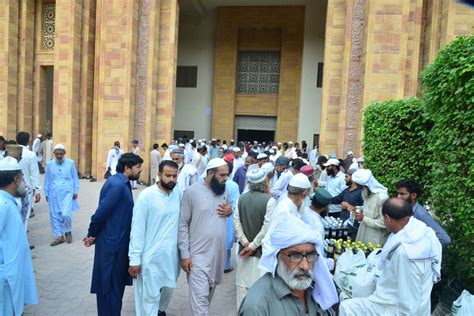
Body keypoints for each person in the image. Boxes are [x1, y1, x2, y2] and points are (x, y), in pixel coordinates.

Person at [340, 198, 442, 315]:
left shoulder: (405, 252)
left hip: (397, 309)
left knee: (347, 307)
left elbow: (408, 300)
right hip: (416, 302)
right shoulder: (424, 232)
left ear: (388, 218)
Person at [239, 214, 338, 315]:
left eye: (310, 255)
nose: (305, 266)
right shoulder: (257, 307)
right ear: (277, 256)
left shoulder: (314, 289)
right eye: (295, 256)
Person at [84, 153, 143, 316]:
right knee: (109, 289)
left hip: (117, 243)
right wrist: (91, 234)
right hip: (112, 246)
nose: (140, 171)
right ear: (127, 168)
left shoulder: (122, 183)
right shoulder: (117, 185)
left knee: (115, 290)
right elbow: (100, 213)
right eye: (138, 167)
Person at [178, 158, 233, 315]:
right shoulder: (191, 192)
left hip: (217, 256)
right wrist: (184, 254)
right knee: (200, 299)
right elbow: (182, 224)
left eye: (227, 175)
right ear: (210, 173)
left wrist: (230, 211)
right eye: (222, 175)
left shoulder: (225, 190)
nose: (225, 178)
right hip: (197, 256)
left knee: (204, 300)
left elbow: (229, 209)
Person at [128, 161, 180, 316]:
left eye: (174, 176)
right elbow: (137, 230)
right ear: (159, 175)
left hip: (171, 258)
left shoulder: (177, 193)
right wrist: (134, 259)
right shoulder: (146, 196)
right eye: (168, 175)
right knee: (150, 297)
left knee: (167, 291)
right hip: (150, 258)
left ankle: (160, 311)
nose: (171, 179)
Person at [0, 157, 38, 315]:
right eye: (22, 179)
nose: (25, 184)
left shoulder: (10, 201)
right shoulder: (3, 205)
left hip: (11, 275)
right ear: (15, 180)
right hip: (5, 278)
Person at [234, 168, 276, 308]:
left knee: (242, 287)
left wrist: (246, 243)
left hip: (243, 250)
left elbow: (236, 223)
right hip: (260, 252)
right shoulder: (270, 201)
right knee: (258, 288)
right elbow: (267, 228)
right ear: (265, 181)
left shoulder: (242, 198)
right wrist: (253, 246)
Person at [395, 179, 451, 246]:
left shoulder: (420, 214)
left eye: (402, 194)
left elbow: (444, 239)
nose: (398, 197)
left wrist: (420, 249)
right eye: (397, 193)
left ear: (413, 195)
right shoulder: (406, 210)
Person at [44, 144, 80, 246]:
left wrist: (76, 191)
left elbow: (75, 178)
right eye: (57, 154)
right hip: (54, 192)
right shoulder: (50, 164)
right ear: (54, 154)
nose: (59, 156)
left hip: (67, 192)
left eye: (61, 154)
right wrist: (46, 192)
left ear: (64, 153)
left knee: (65, 214)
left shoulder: (70, 163)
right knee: (54, 214)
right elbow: (47, 179)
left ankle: (68, 230)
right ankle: (59, 236)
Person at [350, 169, 389, 245]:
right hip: (363, 231)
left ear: (367, 185)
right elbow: (368, 208)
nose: (358, 188)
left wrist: (363, 218)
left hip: (375, 236)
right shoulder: (367, 192)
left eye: (360, 186)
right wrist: (357, 208)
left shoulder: (382, 197)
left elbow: (384, 223)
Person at [16, 131, 41, 229]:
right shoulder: (30, 155)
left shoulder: (9, 153)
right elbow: (34, 173)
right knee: (25, 216)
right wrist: (37, 190)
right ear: (28, 141)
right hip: (26, 188)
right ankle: (22, 240)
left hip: (11, 188)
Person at [330, 167, 363, 238]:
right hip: (343, 226)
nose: (345, 178)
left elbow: (364, 209)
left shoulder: (361, 192)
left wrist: (348, 206)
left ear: (353, 178)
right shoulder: (346, 190)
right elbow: (335, 199)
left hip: (353, 229)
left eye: (346, 176)